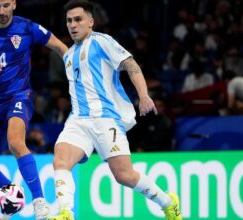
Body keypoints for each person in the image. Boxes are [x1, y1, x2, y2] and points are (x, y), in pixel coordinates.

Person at [46, 1, 182, 220]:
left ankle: (168, 202)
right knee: (60, 161)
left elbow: (131, 64)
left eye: (78, 19)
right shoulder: (69, 56)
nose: (73, 25)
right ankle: (65, 212)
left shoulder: (101, 41)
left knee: (124, 176)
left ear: (91, 22)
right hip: (78, 121)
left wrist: (144, 94)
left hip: (105, 119)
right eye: (69, 21)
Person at [0, 0, 68, 219]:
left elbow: (58, 45)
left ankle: (39, 201)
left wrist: (75, 66)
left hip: (19, 96)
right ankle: (11, 194)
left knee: (16, 142)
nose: (1, 11)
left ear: (14, 5)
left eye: (6, 5)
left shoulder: (27, 27)